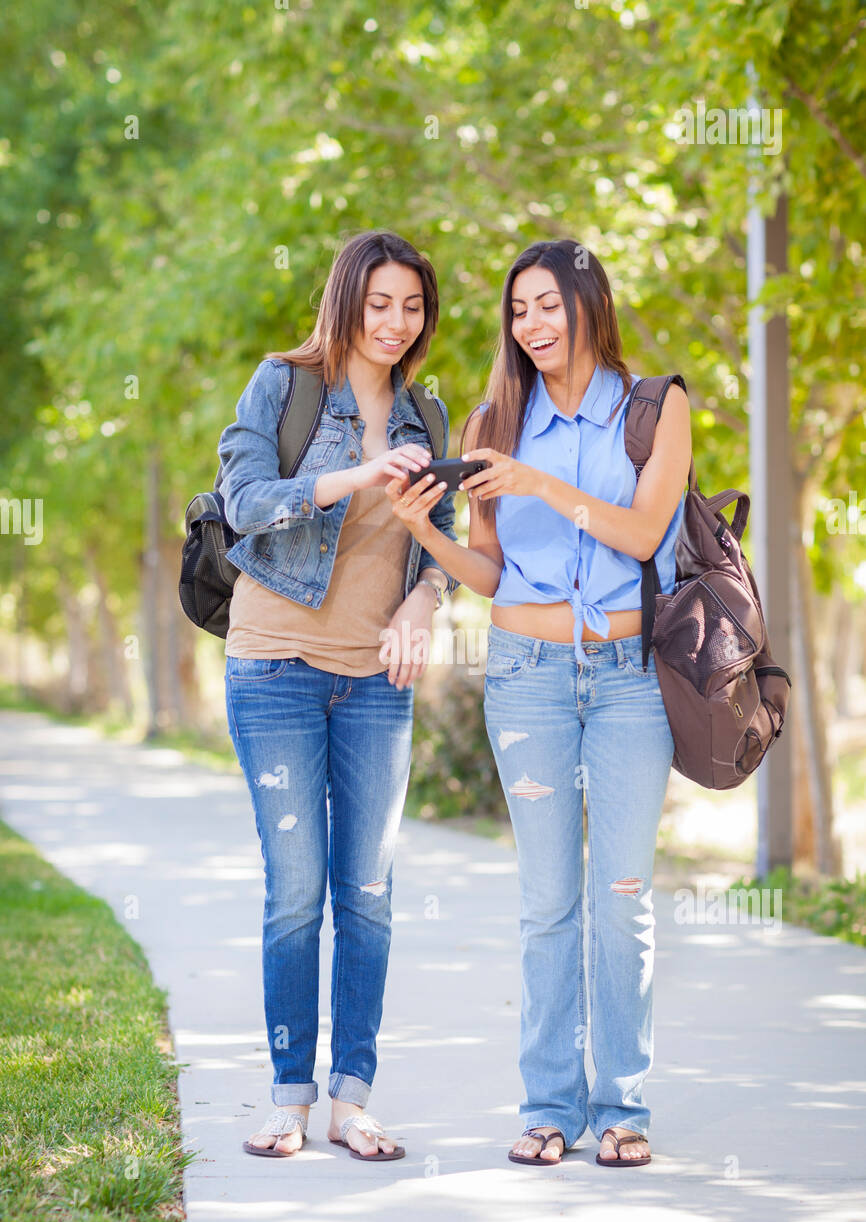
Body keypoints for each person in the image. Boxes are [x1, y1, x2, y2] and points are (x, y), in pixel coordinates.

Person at [386, 238, 691, 1168]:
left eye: (549, 304)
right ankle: (549, 1107)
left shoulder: (655, 407)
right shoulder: (494, 418)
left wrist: (537, 483)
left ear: (589, 305)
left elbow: (644, 533)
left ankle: (623, 1108)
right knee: (549, 900)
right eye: (519, 310)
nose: (533, 325)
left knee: (623, 896)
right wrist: (422, 533)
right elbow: (489, 573)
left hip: (631, 678)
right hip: (526, 676)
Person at [217, 230, 456, 1161]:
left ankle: (353, 1100)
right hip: (273, 665)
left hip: (375, 683)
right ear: (347, 299)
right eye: (381, 302)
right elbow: (243, 499)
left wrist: (425, 606)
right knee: (296, 893)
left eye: (413, 306)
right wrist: (350, 476)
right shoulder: (284, 384)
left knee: (368, 893)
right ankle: (288, 1097)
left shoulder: (426, 417)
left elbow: (442, 545)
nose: (396, 323)